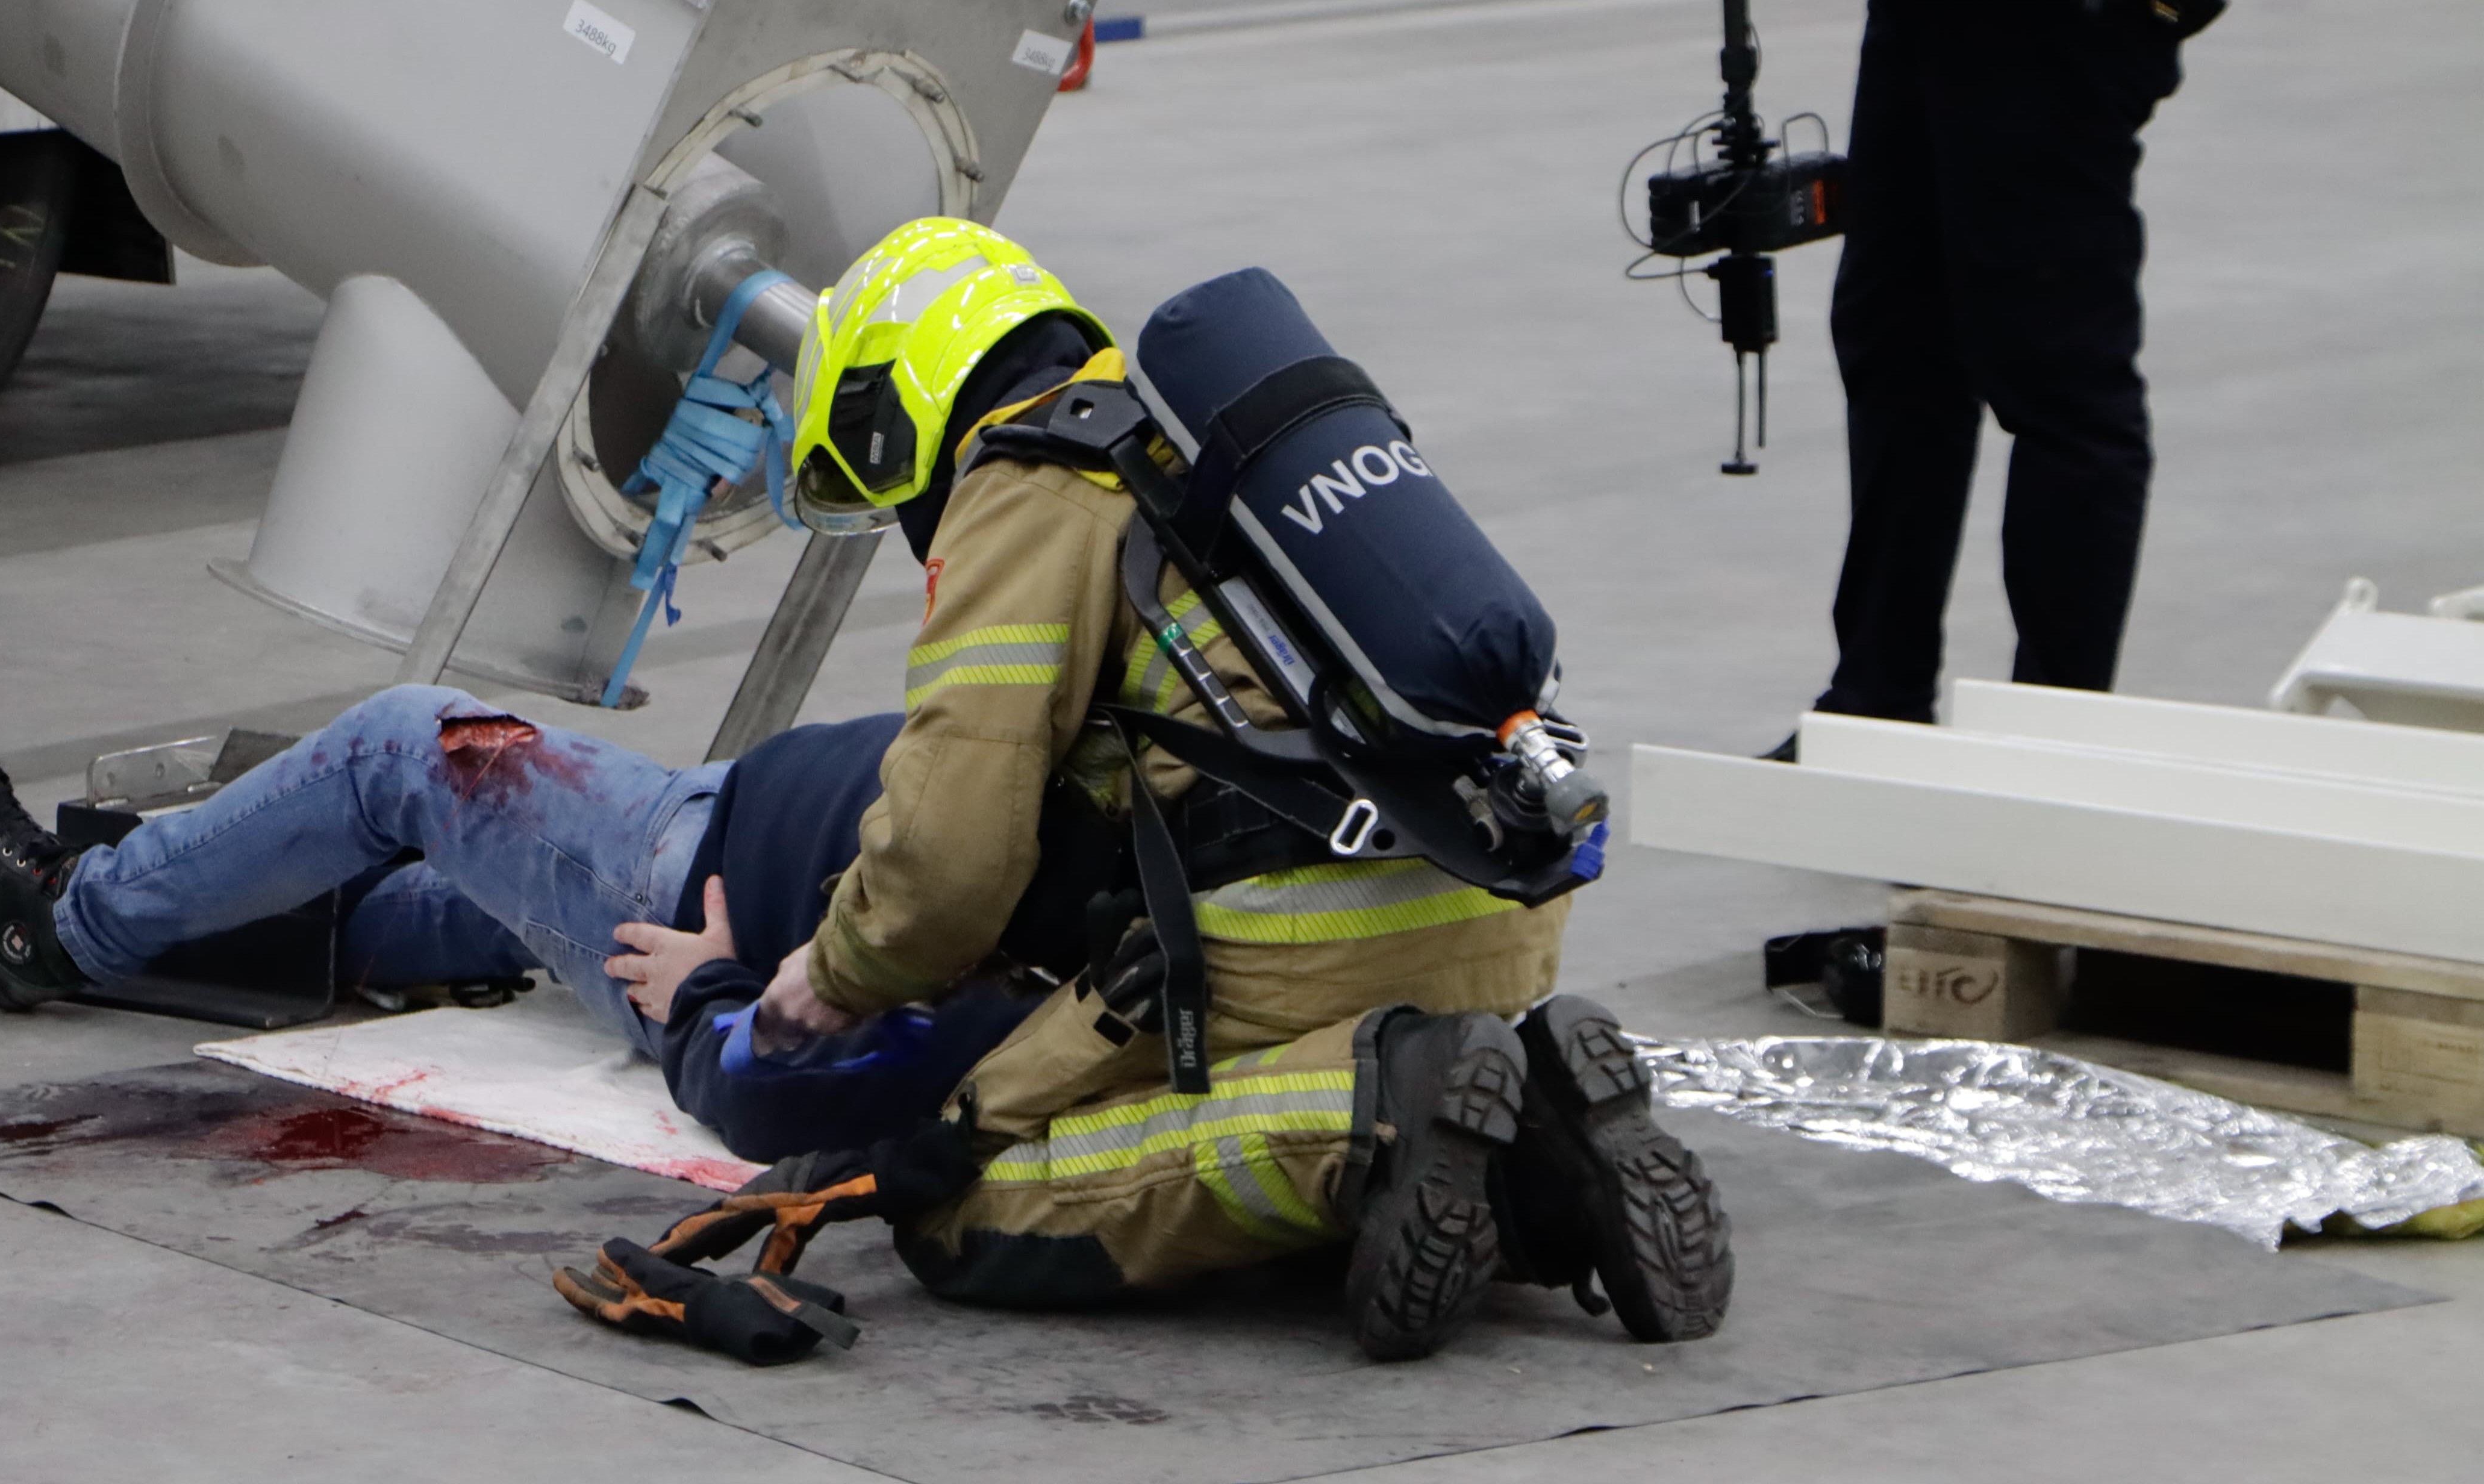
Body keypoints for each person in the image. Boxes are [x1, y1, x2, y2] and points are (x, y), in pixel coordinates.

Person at [564, 223, 1734, 1364]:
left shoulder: (1028, 482)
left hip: (1303, 936)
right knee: (1227, 1084)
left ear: (899, 396)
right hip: (1494, 901)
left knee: (972, 1200)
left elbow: (949, 854)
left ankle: (1362, 1119)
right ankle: (1541, 1162)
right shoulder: (1200, 444)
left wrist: (825, 979)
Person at [0, 700, 1044, 1163]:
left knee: (412, 750)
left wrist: (712, 991)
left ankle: (59, 926)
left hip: (685, 892)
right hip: (719, 826)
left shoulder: (1111, 952)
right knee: (487, 896)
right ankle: (216, 930)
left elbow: (802, 1086)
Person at [1780, 0, 2212, 752]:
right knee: (1895, 341)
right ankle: (1876, 705)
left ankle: (2047, 738)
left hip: (2062, 25)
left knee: (2059, 373)